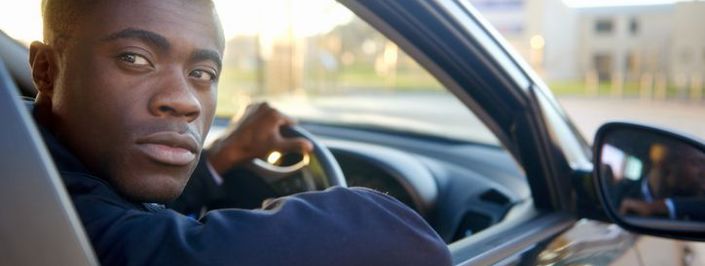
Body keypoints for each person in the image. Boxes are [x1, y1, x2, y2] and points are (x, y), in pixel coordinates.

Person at [29, 0, 451, 265]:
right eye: (135, 59)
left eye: (201, 73)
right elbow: (389, 236)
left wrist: (219, 158)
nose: (186, 101)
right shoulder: (28, 203)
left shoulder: (40, 161)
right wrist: (371, 211)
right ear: (46, 70)